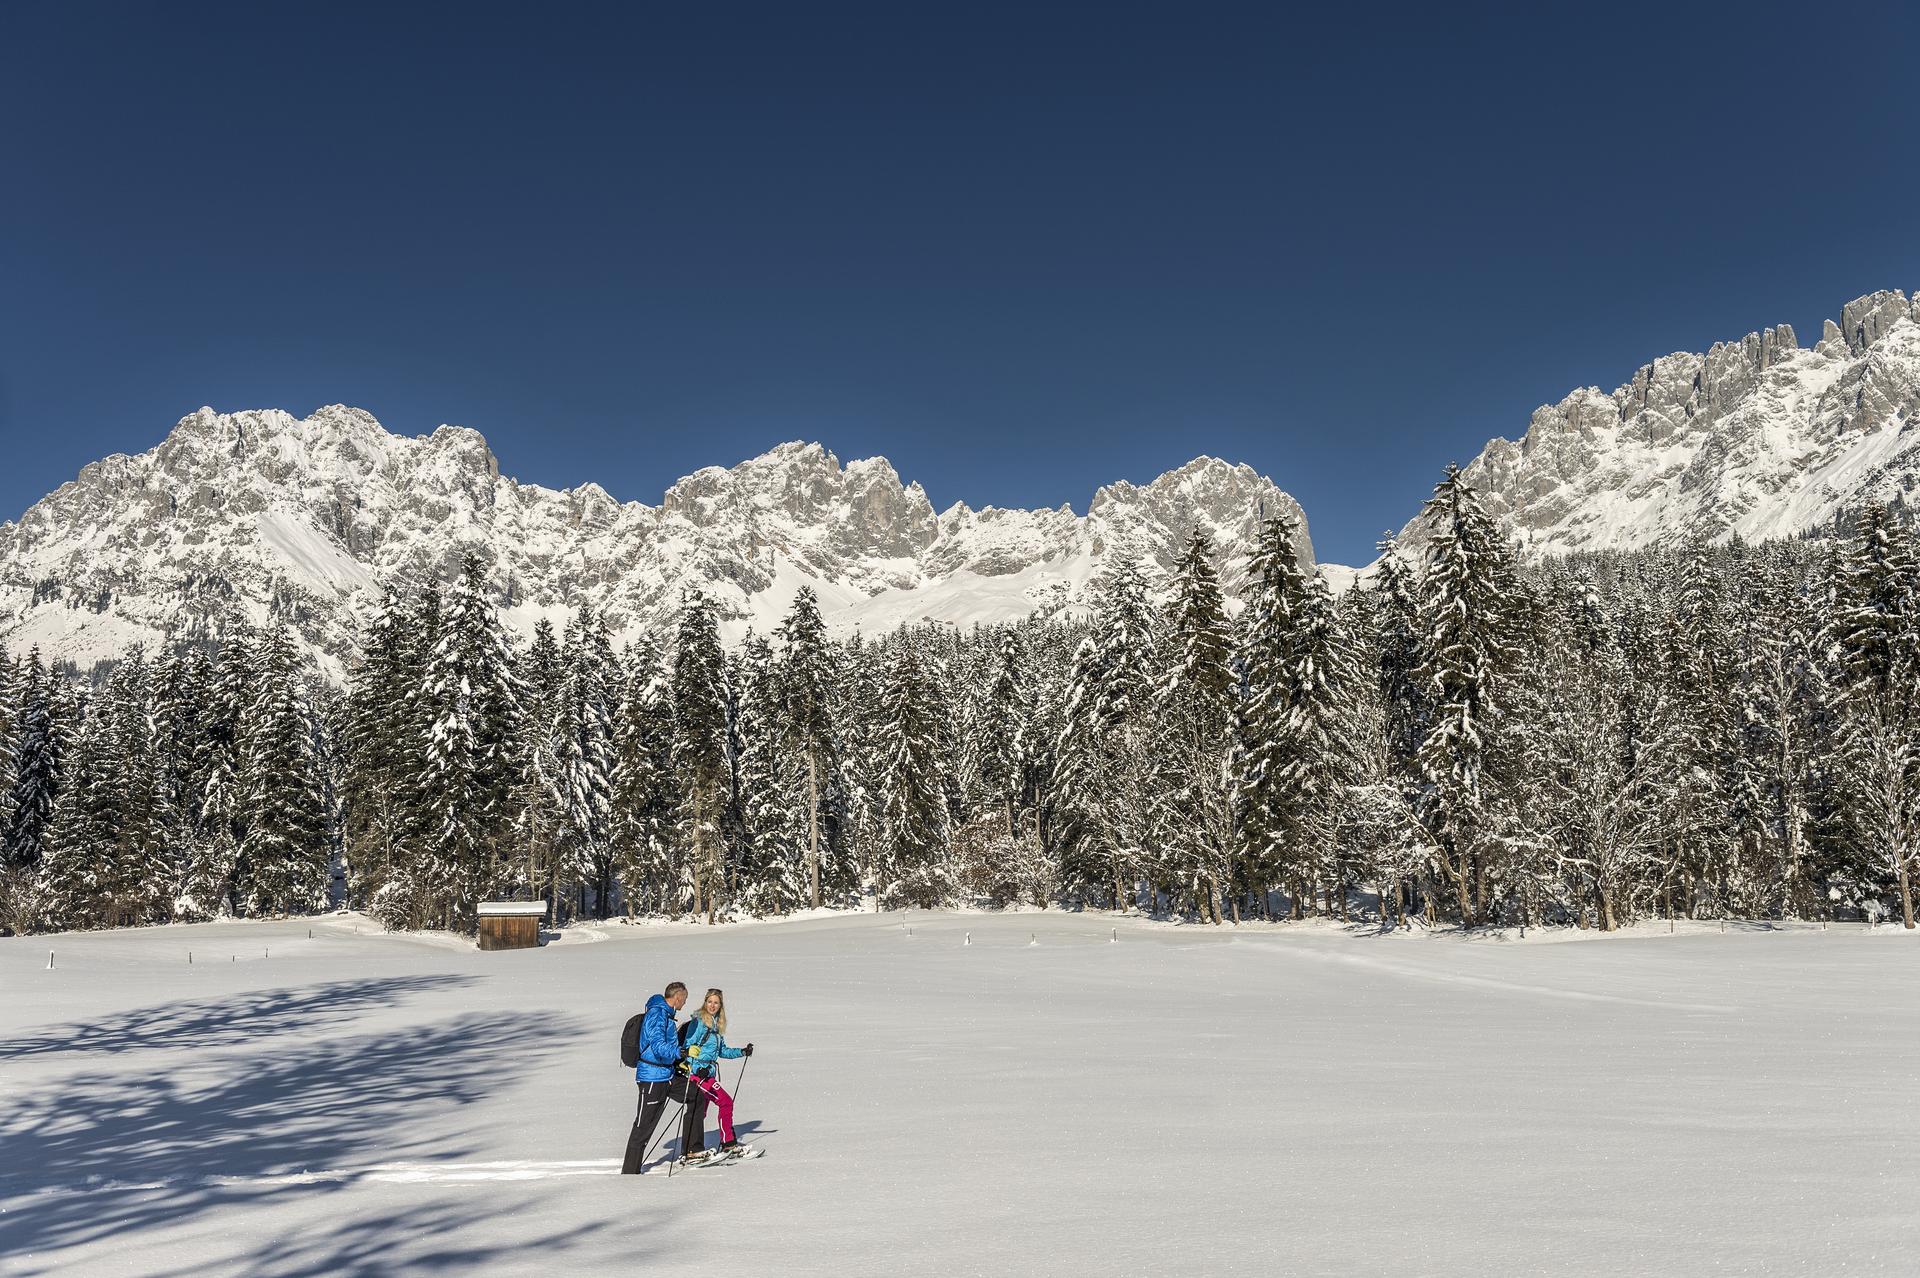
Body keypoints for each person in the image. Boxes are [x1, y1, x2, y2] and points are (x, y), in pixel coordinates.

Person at [619, 981, 711, 1173]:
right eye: (684, 999)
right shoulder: (657, 1014)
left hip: (667, 1075)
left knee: (696, 1095)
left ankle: (692, 1150)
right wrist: (682, 1052)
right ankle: (629, 1172)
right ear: (677, 997)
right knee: (643, 1126)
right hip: (652, 1078)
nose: (684, 1003)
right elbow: (658, 1046)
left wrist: (679, 1060)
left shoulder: (667, 1016)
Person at [682, 988, 757, 1159]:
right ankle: (728, 1144)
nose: (712, 1005)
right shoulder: (698, 1022)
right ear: (705, 1002)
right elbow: (687, 1048)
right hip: (697, 1074)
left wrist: (742, 1052)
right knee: (726, 1102)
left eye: (716, 1002)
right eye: (710, 1001)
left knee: (700, 1112)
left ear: (720, 1005)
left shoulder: (716, 1024)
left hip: (708, 1073)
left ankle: (692, 1149)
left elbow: (722, 1051)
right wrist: (695, 1067)